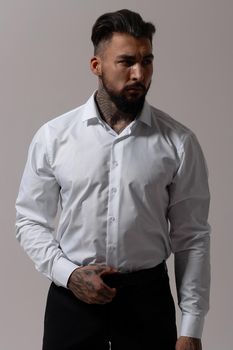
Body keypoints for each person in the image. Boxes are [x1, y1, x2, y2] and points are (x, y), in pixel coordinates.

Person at [15, 9, 210, 350]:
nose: (139, 73)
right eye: (126, 62)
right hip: (71, 300)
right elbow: (29, 221)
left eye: (147, 61)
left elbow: (191, 236)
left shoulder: (178, 142)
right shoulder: (53, 137)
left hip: (147, 302)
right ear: (97, 66)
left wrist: (191, 327)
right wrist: (69, 275)